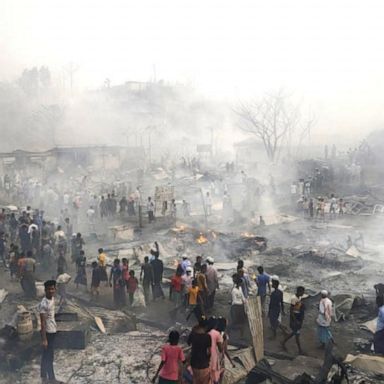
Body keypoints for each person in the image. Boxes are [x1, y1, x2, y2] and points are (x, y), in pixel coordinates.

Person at [39, 280, 64, 384]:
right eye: (49, 289)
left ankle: (43, 375)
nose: (51, 291)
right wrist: (44, 339)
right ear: (45, 290)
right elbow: (43, 323)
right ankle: (52, 379)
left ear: (55, 289)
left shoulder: (52, 299)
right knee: (49, 356)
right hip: (48, 332)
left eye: (52, 288)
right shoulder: (43, 304)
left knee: (46, 354)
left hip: (53, 330)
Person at [282, 286, 305, 355]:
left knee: (295, 333)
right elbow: (291, 310)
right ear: (299, 291)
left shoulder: (299, 298)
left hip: (297, 317)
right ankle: (300, 350)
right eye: (302, 292)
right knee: (296, 334)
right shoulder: (293, 298)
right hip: (295, 317)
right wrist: (295, 320)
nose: (303, 293)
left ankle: (283, 342)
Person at [188, 318, 212, 384]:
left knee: (195, 380)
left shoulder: (193, 334)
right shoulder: (208, 337)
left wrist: (193, 330)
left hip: (194, 362)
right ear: (206, 326)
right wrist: (209, 360)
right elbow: (209, 351)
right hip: (204, 363)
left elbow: (188, 343)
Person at [228, 274, 247, 339]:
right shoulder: (240, 289)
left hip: (236, 307)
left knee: (233, 322)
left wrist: (230, 303)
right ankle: (241, 336)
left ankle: (229, 334)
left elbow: (234, 301)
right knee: (241, 322)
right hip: (241, 307)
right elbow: (243, 298)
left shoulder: (234, 290)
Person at [208, 317, 223, 384]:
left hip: (205, 358)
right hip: (213, 358)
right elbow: (220, 349)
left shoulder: (206, 332)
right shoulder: (217, 334)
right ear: (216, 325)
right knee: (214, 378)